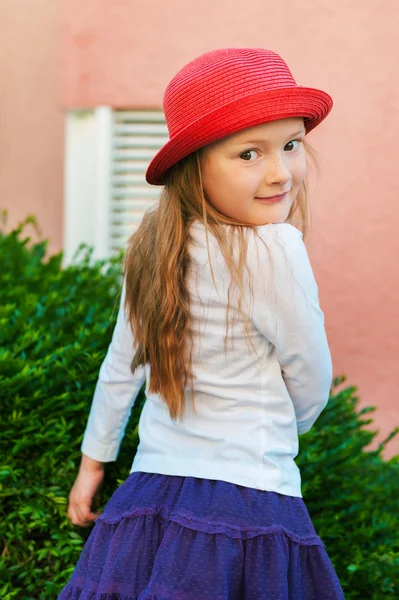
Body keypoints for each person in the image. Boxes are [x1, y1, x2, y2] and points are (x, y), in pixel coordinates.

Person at [58, 48, 345, 599]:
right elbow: (310, 374)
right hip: (249, 501)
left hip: (148, 500)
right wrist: (293, 427)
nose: (280, 171)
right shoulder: (274, 249)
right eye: (248, 153)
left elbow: (121, 367)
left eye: (291, 145)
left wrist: (93, 464)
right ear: (195, 167)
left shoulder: (151, 245)